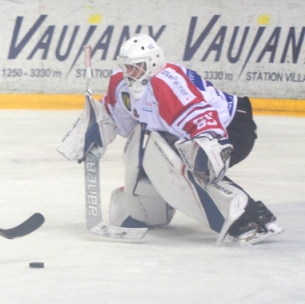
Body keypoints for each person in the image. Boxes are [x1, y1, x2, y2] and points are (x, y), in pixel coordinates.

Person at [57, 34, 283, 246]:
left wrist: (212, 146)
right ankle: (145, 211)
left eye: (137, 67)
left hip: (231, 128)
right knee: (145, 149)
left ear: (154, 62)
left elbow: (201, 115)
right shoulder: (121, 83)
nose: (131, 72)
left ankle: (248, 219)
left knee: (189, 165)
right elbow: (113, 116)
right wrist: (93, 134)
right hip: (185, 132)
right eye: (127, 66)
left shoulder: (166, 83)